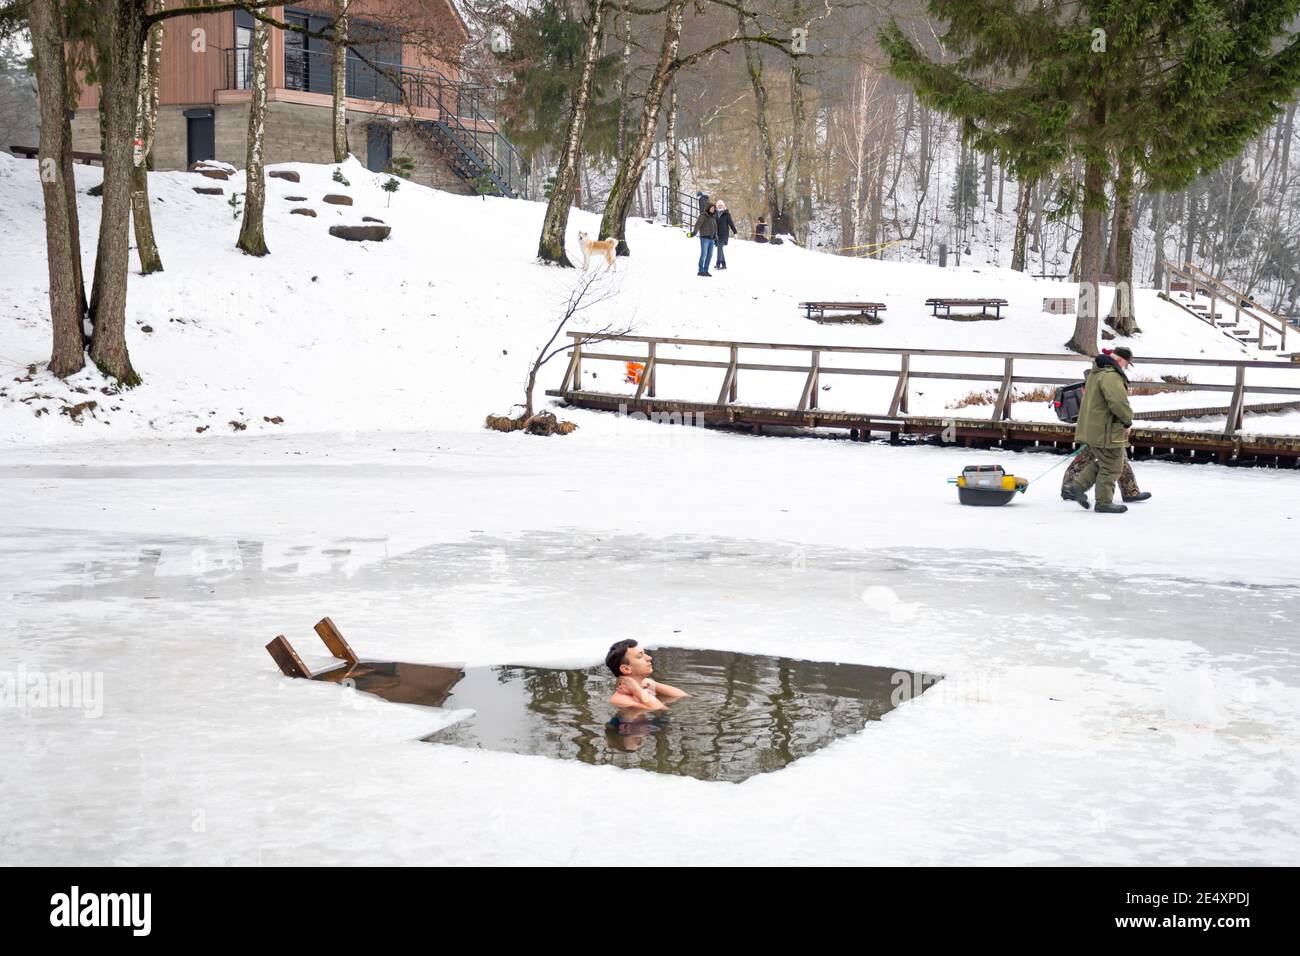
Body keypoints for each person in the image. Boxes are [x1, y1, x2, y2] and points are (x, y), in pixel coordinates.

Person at [1064, 346, 1136, 514]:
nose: (1125, 368)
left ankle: (1078, 485)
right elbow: (1118, 403)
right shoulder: (1110, 376)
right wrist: (1127, 421)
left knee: (1106, 463)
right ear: (1120, 361)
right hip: (1106, 430)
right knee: (1113, 466)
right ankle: (1103, 502)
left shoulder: (1097, 373)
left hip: (1095, 428)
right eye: (1126, 364)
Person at [605, 639, 689, 711]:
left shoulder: (643, 687)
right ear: (626, 669)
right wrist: (635, 689)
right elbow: (661, 709)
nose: (649, 658)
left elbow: (684, 696)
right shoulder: (619, 700)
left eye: (644, 653)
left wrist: (654, 684)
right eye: (640, 656)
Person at [1061, 447, 1151, 503]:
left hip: (1101, 427)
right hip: (1106, 429)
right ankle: (1130, 491)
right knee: (1117, 456)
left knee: (1089, 452)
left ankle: (1069, 486)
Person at [694, 202, 718, 277]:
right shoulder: (703, 215)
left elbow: (715, 229)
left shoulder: (713, 217)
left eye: (714, 208)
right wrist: (694, 233)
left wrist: (716, 238)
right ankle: (701, 271)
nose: (712, 209)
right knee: (703, 254)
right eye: (711, 208)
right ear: (708, 208)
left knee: (709, 255)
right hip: (704, 238)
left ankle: (706, 270)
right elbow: (698, 225)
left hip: (712, 239)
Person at [714, 200, 738, 269]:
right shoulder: (715, 213)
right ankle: (724, 265)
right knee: (720, 249)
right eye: (718, 205)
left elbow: (731, 223)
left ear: (723, 206)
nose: (720, 206)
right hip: (717, 234)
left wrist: (735, 232)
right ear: (717, 206)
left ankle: (718, 264)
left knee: (719, 247)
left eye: (721, 205)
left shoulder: (727, 214)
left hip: (724, 234)